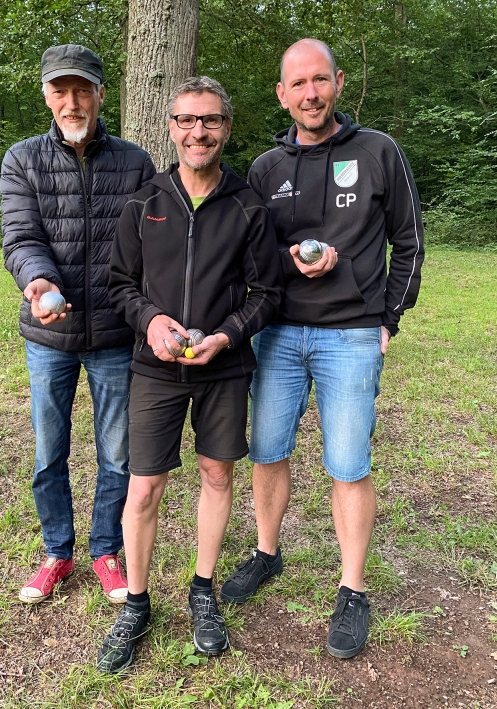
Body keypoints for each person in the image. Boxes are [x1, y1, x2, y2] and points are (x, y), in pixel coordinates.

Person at [220, 39, 424, 659]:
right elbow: (249, 253)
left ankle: (352, 588)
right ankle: (267, 552)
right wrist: (286, 260)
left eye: (320, 80)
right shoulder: (265, 168)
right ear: (282, 95)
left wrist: (389, 317)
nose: (310, 94)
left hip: (351, 334)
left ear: (336, 83)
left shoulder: (378, 151)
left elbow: (410, 241)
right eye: (298, 84)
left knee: (348, 464)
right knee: (267, 451)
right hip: (278, 333)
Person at [97, 76, 282, 673]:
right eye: (187, 120)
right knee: (143, 485)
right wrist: (150, 321)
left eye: (210, 120)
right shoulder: (144, 201)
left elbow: (267, 292)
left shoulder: (248, 205)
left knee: (216, 473)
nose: (198, 131)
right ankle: (137, 603)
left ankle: (203, 590)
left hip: (223, 368)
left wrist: (225, 336)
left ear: (226, 127)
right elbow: (119, 283)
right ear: (171, 127)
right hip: (154, 367)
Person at [1, 44, 155, 605]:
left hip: (116, 333)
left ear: (100, 95)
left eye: (82, 90)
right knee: (49, 452)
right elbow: (21, 238)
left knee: (117, 454)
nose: (72, 102)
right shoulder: (22, 159)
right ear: (46, 96)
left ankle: (106, 551)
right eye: (60, 91)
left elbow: (150, 246)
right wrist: (39, 282)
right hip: (50, 336)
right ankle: (57, 552)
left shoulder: (136, 163)